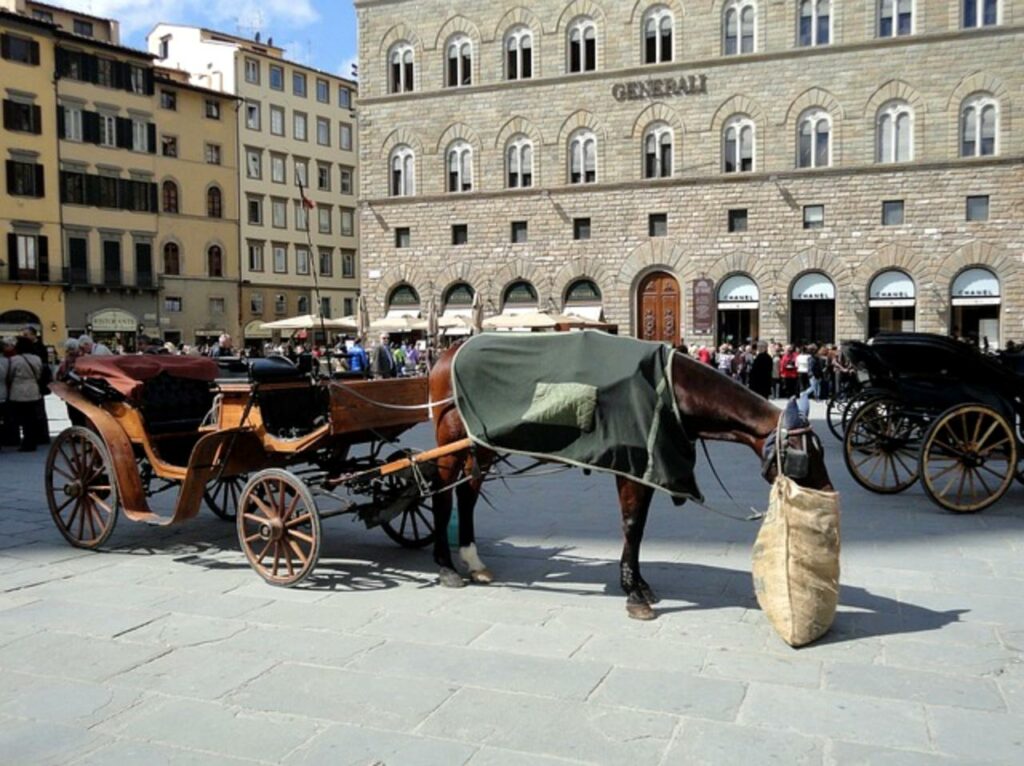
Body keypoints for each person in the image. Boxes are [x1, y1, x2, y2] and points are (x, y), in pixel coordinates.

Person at [7, 336, 43, 451]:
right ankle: (32, 441)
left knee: (22, 418)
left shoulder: (15, 360)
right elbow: (39, 374)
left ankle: (24, 442)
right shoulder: (37, 359)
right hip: (33, 389)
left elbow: (10, 375)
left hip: (18, 391)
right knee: (32, 417)